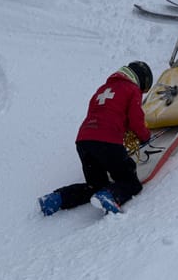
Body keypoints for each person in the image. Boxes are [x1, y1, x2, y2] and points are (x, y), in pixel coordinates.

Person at [38, 61, 153, 216]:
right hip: (108, 141)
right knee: (130, 182)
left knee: (96, 185)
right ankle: (110, 196)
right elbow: (136, 120)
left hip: (84, 140)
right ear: (140, 80)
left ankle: (57, 198)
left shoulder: (102, 89)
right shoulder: (132, 89)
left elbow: (101, 113)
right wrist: (145, 136)